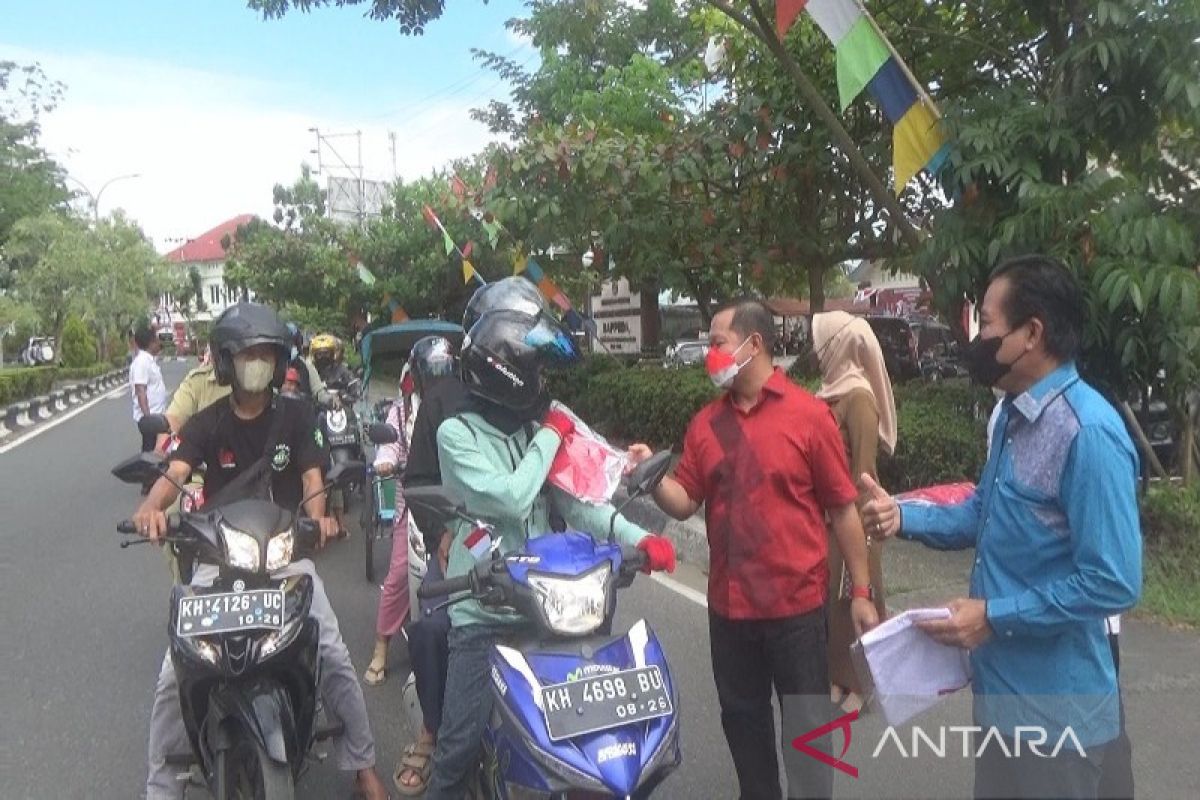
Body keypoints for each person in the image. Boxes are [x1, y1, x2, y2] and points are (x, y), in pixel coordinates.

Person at [861, 255, 1142, 800]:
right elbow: (982, 511)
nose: (977, 337)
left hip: (1057, 722)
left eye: (987, 324)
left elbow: (1114, 581)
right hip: (999, 703)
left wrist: (994, 617)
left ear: (1031, 332)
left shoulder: (1087, 433)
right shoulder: (1010, 417)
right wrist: (903, 516)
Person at [130, 302, 390, 800]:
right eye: (248, 354)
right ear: (227, 362)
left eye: (267, 354)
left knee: (332, 654)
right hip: (218, 562)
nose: (258, 362)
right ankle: (161, 789)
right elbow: (174, 474)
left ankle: (362, 765)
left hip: (285, 558)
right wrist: (151, 508)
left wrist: (321, 518)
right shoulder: (206, 424)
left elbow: (314, 476)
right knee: (172, 676)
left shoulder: (296, 416)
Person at [629, 297, 879, 800]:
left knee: (807, 733)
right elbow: (684, 500)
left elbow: (843, 509)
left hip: (797, 610)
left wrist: (861, 591)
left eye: (717, 342)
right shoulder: (706, 425)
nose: (710, 353)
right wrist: (648, 475)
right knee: (745, 728)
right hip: (730, 610)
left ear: (754, 343)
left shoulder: (810, 417)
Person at [423, 307, 676, 800]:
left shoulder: (529, 433)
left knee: (592, 738)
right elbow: (512, 496)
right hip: (485, 612)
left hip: (548, 608)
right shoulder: (457, 435)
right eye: (535, 370)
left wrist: (638, 540)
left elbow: (578, 505)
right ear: (507, 370)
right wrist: (551, 433)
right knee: (456, 750)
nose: (541, 383)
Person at [369, 335, 458, 796]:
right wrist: (386, 464)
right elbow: (395, 460)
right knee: (401, 581)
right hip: (420, 510)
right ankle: (383, 647)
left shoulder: (473, 407)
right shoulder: (405, 413)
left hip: (471, 523)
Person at [810, 311, 897, 713]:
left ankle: (862, 683)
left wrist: (859, 529)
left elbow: (862, 473)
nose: (815, 348)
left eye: (821, 340)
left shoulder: (860, 399)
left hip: (855, 516)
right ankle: (836, 675)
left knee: (859, 598)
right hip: (824, 518)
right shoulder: (830, 392)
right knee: (832, 600)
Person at [130, 326, 169, 451]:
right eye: (157, 340)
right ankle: (146, 470)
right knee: (150, 451)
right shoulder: (142, 362)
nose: (159, 343)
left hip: (157, 416)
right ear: (151, 343)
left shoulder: (149, 360)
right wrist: (148, 419)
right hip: (151, 418)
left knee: (157, 449)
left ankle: (151, 469)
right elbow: (140, 391)